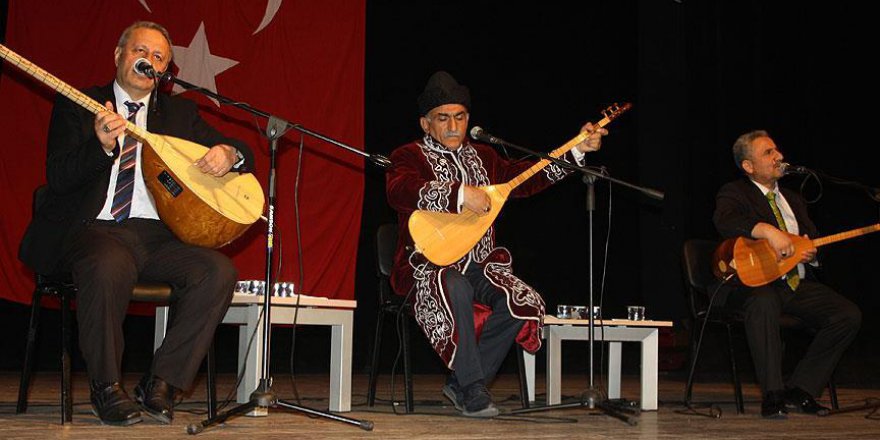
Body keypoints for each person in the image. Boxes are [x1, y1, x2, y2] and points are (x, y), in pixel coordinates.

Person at [18, 21, 254, 426]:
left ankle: (161, 382)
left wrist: (228, 154)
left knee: (217, 270)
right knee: (108, 263)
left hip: (156, 237)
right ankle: (106, 388)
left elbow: (242, 149)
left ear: (165, 73)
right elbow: (57, 177)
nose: (148, 60)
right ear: (119, 55)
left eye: (159, 57)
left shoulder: (179, 113)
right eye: (140, 51)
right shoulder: (79, 103)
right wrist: (100, 146)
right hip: (93, 230)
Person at [385, 71, 607, 417]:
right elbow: (399, 191)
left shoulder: (485, 157)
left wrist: (576, 149)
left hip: (480, 263)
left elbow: (526, 179)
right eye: (443, 119)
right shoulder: (408, 155)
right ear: (426, 124)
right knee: (454, 286)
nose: (454, 126)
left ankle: (462, 384)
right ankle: (473, 388)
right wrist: (459, 194)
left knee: (524, 301)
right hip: (427, 265)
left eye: (460, 117)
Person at [713, 130, 861, 418]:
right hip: (751, 284)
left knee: (847, 314)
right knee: (763, 302)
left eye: (777, 150)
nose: (779, 156)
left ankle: (802, 389)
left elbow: (811, 240)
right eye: (768, 152)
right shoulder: (734, 192)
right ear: (748, 166)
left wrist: (812, 254)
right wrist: (769, 232)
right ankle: (773, 393)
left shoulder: (793, 199)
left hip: (794, 282)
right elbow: (726, 221)